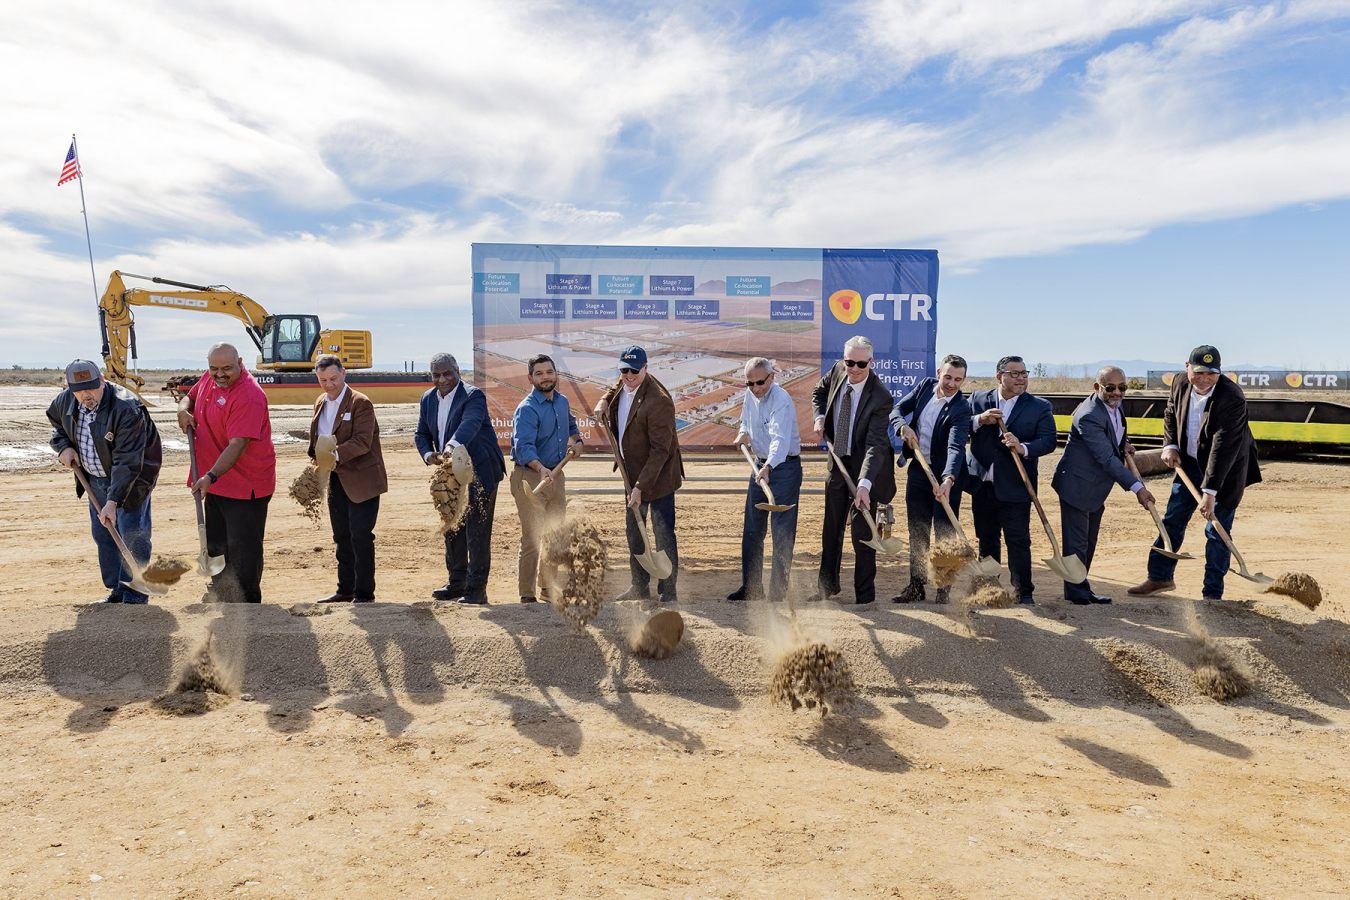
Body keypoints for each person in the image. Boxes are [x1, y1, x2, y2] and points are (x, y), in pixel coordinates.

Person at [1128, 345, 1261, 600]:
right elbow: (1170, 412)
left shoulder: (1231, 396)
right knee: (1173, 519)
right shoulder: (1179, 383)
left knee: (1216, 530)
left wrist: (1210, 492)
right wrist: (1170, 445)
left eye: (1211, 374)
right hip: (1189, 463)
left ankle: (1212, 594)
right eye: (1198, 372)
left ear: (1219, 373)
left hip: (1227, 470)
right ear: (1187, 368)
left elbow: (1223, 447)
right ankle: (1159, 577)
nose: (1204, 379)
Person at [47, 359, 162, 604]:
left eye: (91, 387)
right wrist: (63, 447)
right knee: (103, 533)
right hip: (94, 477)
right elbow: (57, 426)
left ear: (102, 380)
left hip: (133, 477)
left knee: (132, 534)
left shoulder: (126, 407)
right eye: (79, 390)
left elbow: (128, 461)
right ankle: (116, 590)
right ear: (69, 388)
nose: (86, 394)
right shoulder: (64, 402)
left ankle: (135, 595)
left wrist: (113, 500)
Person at [177, 343, 276, 604]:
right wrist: (182, 409)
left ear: (240, 362)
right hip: (213, 480)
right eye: (213, 368)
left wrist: (210, 476)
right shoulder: (210, 378)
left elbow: (238, 444)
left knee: (242, 549)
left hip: (245, 483)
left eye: (226, 369)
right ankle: (221, 591)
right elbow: (191, 396)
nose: (219, 374)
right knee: (217, 544)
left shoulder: (248, 396)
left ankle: (247, 601)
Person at [1050, 366, 1155, 605]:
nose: (1117, 392)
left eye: (1122, 387)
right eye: (1110, 388)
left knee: (1089, 541)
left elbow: (1114, 431)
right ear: (1098, 387)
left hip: (1096, 486)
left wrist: (1124, 443)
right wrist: (1138, 488)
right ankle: (1077, 593)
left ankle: (1080, 587)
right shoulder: (1088, 415)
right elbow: (1106, 459)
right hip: (1077, 485)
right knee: (1077, 543)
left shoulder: (1114, 405)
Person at [808, 336, 896, 605]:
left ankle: (865, 599)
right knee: (831, 530)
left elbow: (875, 446)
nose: (854, 369)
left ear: (871, 362)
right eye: (850, 362)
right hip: (837, 464)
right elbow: (819, 393)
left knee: (863, 536)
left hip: (867, 470)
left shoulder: (881, 397)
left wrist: (864, 485)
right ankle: (827, 588)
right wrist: (820, 416)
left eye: (861, 363)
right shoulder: (837, 370)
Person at [593, 345, 684, 604]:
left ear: (646, 368)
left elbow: (660, 451)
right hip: (631, 474)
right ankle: (639, 587)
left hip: (659, 478)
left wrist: (640, 488)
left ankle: (668, 589)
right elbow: (615, 386)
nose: (628, 375)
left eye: (634, 370)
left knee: (663, 534)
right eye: (624, 370)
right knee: (634, 531)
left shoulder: (659, 401)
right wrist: (603, 400)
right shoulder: (624, 383)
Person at [962, 356, 1057, 604]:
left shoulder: (1039, 406)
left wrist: (1022, 447)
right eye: (1014, 374)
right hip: (982, 484)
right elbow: (960, 426)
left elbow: (1048, 441)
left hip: (1016, 485)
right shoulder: (977, 399)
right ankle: (989, 589)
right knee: (986, 538)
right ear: (999, 377)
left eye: (1024, 373)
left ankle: (1023, 592)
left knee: (1018, 541)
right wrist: (979, 419)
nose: (1021, 378)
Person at [414, 352, 505, 605]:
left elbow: (471, 423)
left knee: (477, 531)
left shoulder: (473, 395)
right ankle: (457, 584)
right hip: (450, 475)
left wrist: (452, 445)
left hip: (481, 471)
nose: (441, 379)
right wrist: (428, 453)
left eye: (447, 374)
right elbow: (421, 432)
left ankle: (477, 590)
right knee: (452, 527)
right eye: (436, 375)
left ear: (457, 371)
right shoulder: (428, 398)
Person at [890, 354, 972, 604]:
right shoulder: (925, 386)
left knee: (945, 533)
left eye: (958, 380)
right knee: (918, 530)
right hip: (918, 470)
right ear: (939, 373)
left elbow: (956, 447)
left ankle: (943, 590)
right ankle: (916, 586)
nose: (951, 384)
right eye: (947, 377)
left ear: (963, 380)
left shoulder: (961, 407)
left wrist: (947, 480)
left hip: (946, 476)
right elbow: (897, 410)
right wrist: (902, 427)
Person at [307, 355, 388, 604]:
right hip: (335, 479)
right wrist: (315, 457)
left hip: (362, 480)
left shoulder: (360, 403)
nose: (328, 384)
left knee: (360, 536)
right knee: (341, 536)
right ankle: (345, 590)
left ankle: (364, 594)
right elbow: (319, 437)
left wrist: (332, 456)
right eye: (323, 380)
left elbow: (362, 442)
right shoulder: (320, 401)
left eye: (333, 378)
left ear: (343, 373)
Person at [510, 353, 583, 604]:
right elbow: (523, 447)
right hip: (530, 478)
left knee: (554, 535)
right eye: (539, 374)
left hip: (556, 475)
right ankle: (527, 594)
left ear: (556, 375)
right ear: (530, 378)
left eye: (549, 372)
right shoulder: (527, 410)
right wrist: (541, 469)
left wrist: (578, 441)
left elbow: (571, 425)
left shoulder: (562, 402)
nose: (545, 377)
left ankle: (547, 588)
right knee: (532, 537)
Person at [728, 357, 802, 603]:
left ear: (772, 377)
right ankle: (751, 588)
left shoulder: (781, 401)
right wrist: (742, 432)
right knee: (752, 531)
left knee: (781, 533)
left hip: (784, 469)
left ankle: (777, 594)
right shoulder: (751, 394)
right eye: (750, 383)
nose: (756, 388)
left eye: (760, 382)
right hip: (759, 466)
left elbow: (779, 439)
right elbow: (746, 419)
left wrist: (769, 467)